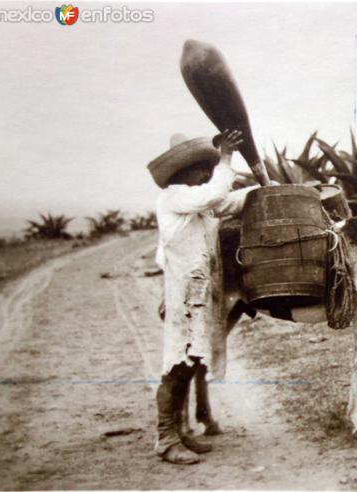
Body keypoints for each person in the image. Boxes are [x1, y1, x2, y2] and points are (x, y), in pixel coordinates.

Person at [147, 129, 258, 465]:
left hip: (199, 294)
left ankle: (179, 434)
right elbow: (214, 194)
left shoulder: (197, 204)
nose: (205, 174)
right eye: (201, 169)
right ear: (186, 172)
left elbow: (230, 201)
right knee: (177, 367)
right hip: (183, 295)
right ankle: (166, 438)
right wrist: (226, 159)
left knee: (191, 361)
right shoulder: (176, 197)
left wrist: (267, 189)